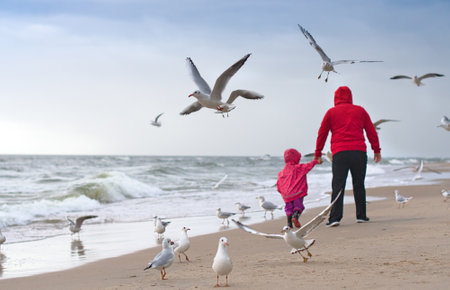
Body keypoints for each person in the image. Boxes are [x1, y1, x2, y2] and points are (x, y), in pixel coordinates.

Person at [314, 86, 381, 227]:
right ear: (350, 97)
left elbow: (322, 133)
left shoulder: (331, 113)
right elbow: (371, 131)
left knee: (338, 185)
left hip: (340, 153)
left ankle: (335, 218)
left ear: (335, 97)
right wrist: (376, 150)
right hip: (359, 153)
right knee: (359, 184)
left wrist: (318, 153)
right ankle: (361, 216)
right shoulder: (360, 110)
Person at [277, 148, 318, 228]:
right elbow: (308, 166)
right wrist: (315, 161)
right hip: (297, 193)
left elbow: (278, 184)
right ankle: (295, 217)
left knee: (288, 208)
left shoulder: (281, 172)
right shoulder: (299, 168)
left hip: (286, 195)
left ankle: (289, 224)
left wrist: (282, 192)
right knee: (298, 206)